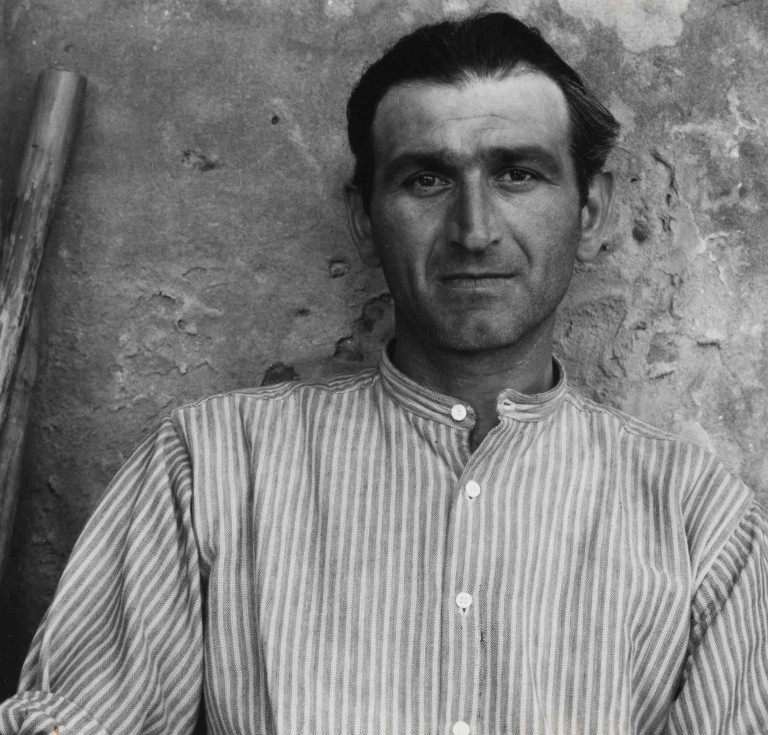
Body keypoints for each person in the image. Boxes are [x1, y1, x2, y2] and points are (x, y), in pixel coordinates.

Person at [1, 11, 767, 735]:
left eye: (518, 174)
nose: (473, 230)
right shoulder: (210, 467)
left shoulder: (701, 524)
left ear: (591, 211)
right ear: (365, 220)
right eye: (427, 180)